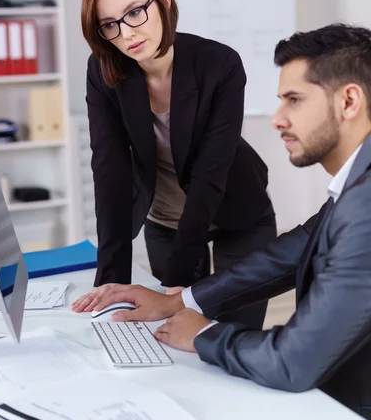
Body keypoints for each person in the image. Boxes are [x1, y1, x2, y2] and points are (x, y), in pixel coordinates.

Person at [73, 23, 371, 419]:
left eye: (294, 101)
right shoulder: (357, 188)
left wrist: (203, 335)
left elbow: (292, 362)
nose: (277, 119)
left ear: (349, 101)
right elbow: (290, 251)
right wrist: (175, 301)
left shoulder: (365, 207)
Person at [74, 0, 276, 327]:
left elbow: (210, 173)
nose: (127, 32)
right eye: (110, 25)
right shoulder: (103, 72)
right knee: (169, 337)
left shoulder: (220, 64)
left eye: (135, 12)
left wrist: (180, 281)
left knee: (232, 336)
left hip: (237, 212)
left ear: (162, 0)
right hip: (165, 219)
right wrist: (112, 278)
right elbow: (109, 169)